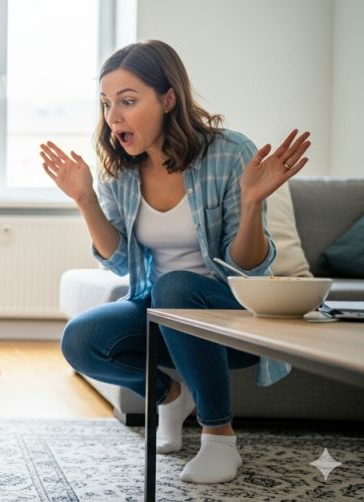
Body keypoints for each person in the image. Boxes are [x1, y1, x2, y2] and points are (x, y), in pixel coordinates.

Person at [41, 40, 310, 484]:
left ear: (169, 98)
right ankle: (169, 397)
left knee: (177, 287)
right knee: (81, 340)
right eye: (107, 104)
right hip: (162, 311)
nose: (113, 117)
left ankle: (219, 438)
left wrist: (252, 205)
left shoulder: (229, 154)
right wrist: (86, 199)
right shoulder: (119, 169)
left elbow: (248, 269)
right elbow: (123, 262)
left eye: (128, 101)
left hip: (229, 317)